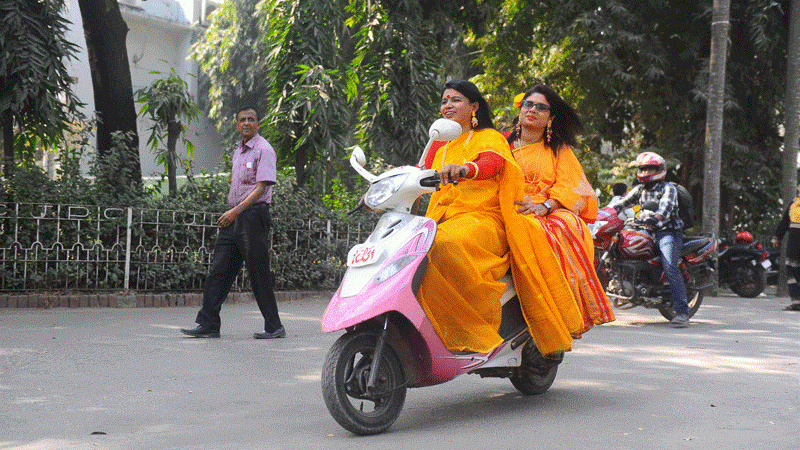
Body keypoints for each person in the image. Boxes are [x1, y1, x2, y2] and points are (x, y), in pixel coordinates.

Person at [502, 85, 614, 354]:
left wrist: (547, 206)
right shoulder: (501, 143)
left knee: (565, 224)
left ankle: (559, 305)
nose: (532, 110)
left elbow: (574, 186)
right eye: (528, 104)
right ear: (520, 109)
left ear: (550, 117)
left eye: (541, 107)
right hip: (504, 205)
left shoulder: (558, 150)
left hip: (545, 209)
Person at [416, 79, 519, 353]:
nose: (447, 105)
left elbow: (491, 163)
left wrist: (466, 169)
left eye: (456, 100)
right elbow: (415, 175)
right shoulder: (438, 145)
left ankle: (466, 328)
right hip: (442, 219)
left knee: (442, 244)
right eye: (444, 100)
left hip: (483, 219)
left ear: (474, 106)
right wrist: (379, 187)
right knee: (412, 247)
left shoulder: (490, 137)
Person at [181, 106, 285, 339]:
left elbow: (261, 189)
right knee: (219, 270)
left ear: (258, 123)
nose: (246, 123)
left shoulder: (264, 149)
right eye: (241, 120)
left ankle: (274, 325)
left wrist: (234, 212)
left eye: (251, 119)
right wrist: (233, 213)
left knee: (258, 273)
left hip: (253, 216)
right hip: (235, 215)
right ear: (237, 124)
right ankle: (209, 324)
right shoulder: (239, 151)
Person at [611, 151, 690, 327]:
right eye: (643, 169)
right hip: (644, 230)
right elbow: (622, 204)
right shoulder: (639, 189)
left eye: (650, 168)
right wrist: (604, 212)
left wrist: (656, 217)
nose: (646, 172)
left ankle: (683, 312)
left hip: (666, 232)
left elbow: (665, 208)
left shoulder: (668, 188)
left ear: (660, 169)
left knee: (670, 266)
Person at [771, 192, 800, 311]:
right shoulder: (794, 204)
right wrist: (777, 237)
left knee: (793, 270)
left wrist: (777, 237)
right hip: (794, 242)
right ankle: (797, 302)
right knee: (793, 270)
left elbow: (784, 222)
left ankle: (797, 301)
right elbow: (785, 222)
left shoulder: (794, 204)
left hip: (794, 241)